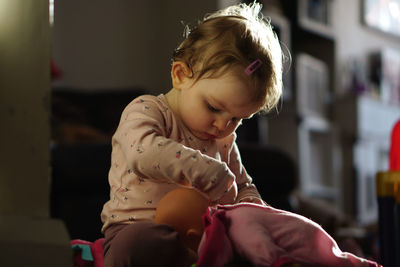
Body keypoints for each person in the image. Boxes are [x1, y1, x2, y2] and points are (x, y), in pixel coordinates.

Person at [100, 2, 284, 267]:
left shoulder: (222, 139)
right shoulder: (147, 110)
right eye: (214, 108)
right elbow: (144, 154)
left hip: (203, 234)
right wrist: (208, 172)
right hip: (136, 227)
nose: (223, 125)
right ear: (180, 75)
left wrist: (255, 210)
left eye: (237, 119)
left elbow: (241, 187)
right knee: (138, 245)